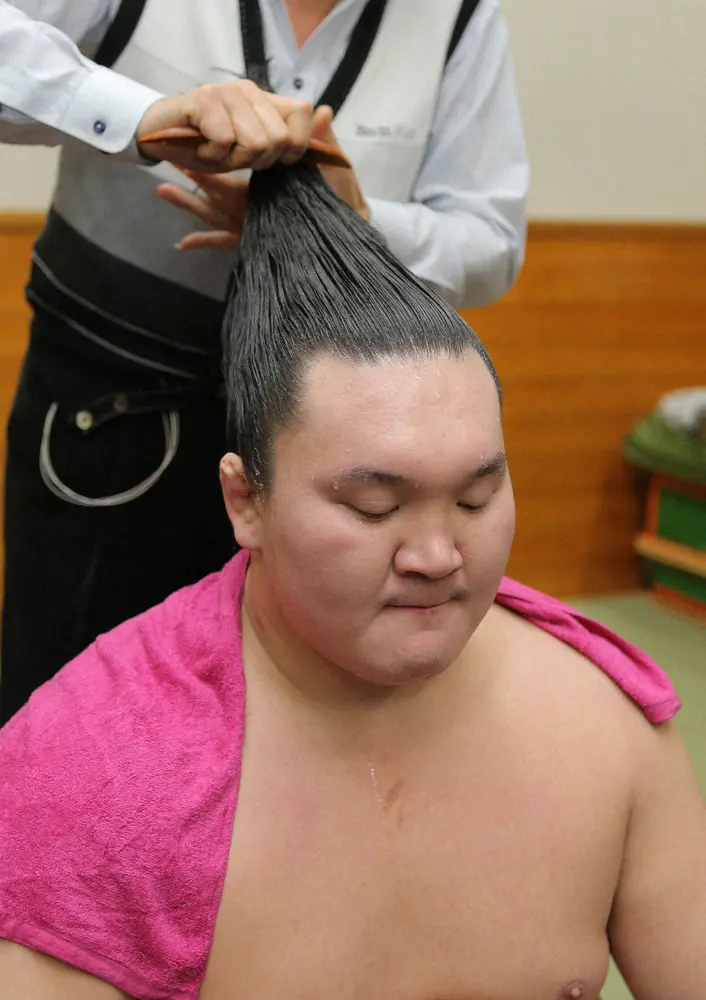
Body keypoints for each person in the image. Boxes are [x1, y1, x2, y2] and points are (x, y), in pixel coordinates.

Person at [0, 160, 703, 1000]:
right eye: (375, 507)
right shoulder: (90, 768)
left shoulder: (606, 717)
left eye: (476, 498)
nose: (437, 554)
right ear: (245, 501)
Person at [0, 0, 529, 723]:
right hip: (109, 414)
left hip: (331, 447)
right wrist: (145, 117)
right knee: (70, 700)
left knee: (287, 715)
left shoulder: (459, 18)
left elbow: (492, 239)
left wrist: (359, 223)